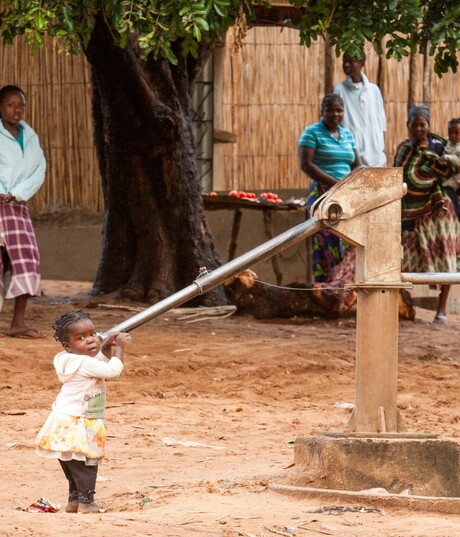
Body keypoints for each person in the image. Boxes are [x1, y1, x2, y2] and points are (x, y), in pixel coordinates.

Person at [35, 310, 130, 514]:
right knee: (87, 464)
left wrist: (105, 346)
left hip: (63, 420)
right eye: (81, 338)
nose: (90, 341)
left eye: (93, 334)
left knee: (72, 465)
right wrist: (120, 347)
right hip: (80, 420)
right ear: (67, 345)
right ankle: (87, 503)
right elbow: (112, 370)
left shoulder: (67, 359)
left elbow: (98, 363)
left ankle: (75, 501)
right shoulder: (85, 363)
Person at [394, 105, 459, 324]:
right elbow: (401, 177)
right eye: (414, 125)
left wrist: (435, 185)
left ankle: (441, 310)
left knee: (446, 255)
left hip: (442, 212)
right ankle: (406, 302)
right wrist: (423, 184)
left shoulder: (441, 146)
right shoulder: (404, 149)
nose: (419, 129)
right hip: (413, 213)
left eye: (423, 124)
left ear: (428, 125)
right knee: (407, 258)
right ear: (408, 126)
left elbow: (450, 169)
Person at [299, 93, 362, 282]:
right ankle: (324, 291)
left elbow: (357, 164)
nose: (335, 114)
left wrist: (351, 184)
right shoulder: (312, 133)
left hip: (346, 194)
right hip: (322, 194)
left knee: (349, 241)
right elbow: (306, 164)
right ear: (322, 112)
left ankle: (343, 291)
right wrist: (335, 184)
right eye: (330, 110)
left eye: (339, 110)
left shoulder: (348, 135)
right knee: (324, 241)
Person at [0, 84, 47, 338]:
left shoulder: (29, 136)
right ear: (0, 107)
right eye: (10, 105)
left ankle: (18, 323)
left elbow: (38, 169)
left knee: (27, 261)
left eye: (20, 106)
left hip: (17, 207)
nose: (16, 110)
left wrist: (17, 193)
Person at [333, 51, 387, 167]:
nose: (346, 65)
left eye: (351, 62)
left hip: (376, 157)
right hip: (352, 156)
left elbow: (381, 124)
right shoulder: (339, 90)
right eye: (344, 62)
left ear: (362, 63)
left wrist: (379, 147)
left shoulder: (373, 90)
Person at [441, 117, 460, 218]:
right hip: (452, 178)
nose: (453, 135)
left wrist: (448, 157)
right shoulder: (450, 143)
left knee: (449, 192)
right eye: (450, 132)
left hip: (456, 180)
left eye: (456, 133)